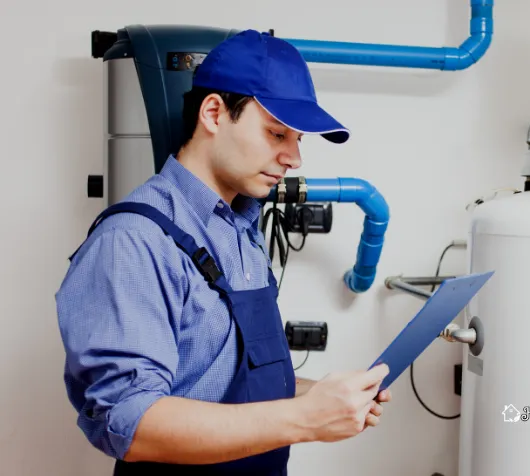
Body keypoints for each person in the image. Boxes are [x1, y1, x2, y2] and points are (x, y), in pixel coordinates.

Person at [56, 29, 391, 475]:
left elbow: (222, 382)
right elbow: (130, 422)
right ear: (214, 113)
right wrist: (304, 419)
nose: (294, 158)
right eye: (277, 134)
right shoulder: (134, 240)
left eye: (298, 141)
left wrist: (323, 396)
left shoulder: (242, 228)